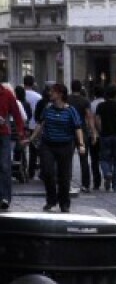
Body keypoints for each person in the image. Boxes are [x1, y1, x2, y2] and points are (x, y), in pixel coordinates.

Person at [29, 83, 86, 213]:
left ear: (60, 94)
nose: (50, 94)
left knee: (64, 176)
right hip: (48, 144)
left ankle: (64, 203)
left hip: (65, 145)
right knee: (47, 172)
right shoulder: (48, 108)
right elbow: (40, 124)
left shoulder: (70, 110)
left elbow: (78, 128)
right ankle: (51, 200)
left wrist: (81, 144)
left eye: (53, 92)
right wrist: (31, 138)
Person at [94, 84, 116, 192]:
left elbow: (97, 120)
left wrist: (100, 130)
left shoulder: (101, 106)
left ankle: (107, 172)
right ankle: (115, 186)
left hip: (105, 135)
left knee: (104, 158)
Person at [0, 80, 26, 211]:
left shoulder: (7, 95)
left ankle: (5, 197)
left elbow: (17, 114)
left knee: (5, 165)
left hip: (3, 134)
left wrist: (21, 132)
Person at [68, 80, 96, 193]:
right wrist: (93, 133)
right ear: (80, 89)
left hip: (69, 131)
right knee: (84, 159)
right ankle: (85, 184)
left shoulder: (67, 99)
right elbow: (89, 117)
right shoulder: (85, 101)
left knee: (67, 159)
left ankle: (67, 181)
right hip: (82, 131)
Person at [21, 76, 40, 180]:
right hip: (34, 125)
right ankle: (31, 172)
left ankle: (22, 170)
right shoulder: (37, 97)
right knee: (33, 151)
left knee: (20, 150)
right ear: (33, 84)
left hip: (21, 126)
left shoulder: (17, 95)